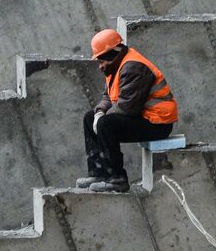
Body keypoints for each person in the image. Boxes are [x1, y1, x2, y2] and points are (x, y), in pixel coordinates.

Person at [76, 29, 178, 192]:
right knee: (90, 118)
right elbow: (108, 97)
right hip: (142, 117)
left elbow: (127, 107)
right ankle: (98, 173)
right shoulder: (115, 66)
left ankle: (117, 179)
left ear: (112, 54)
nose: (100, 66)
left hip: (157, 123)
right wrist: (99, 112)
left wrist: (102, 119)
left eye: (102, 61)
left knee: (106, 124)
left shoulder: (133, 67)